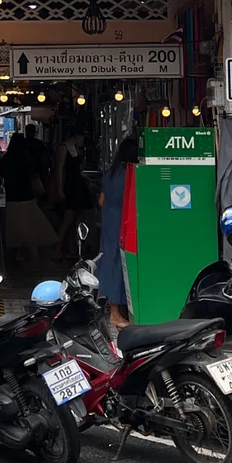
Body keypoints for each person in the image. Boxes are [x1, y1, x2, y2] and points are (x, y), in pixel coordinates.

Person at [98, 135, 138, 328]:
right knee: (121, 264)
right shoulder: (132, 174)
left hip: (110, 222)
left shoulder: (110, 173)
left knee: (111, 262)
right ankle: (115, 314)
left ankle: (118, 310)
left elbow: (101, 201)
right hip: (124, 223)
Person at [2, 131, 57, 260]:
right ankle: (32, 252)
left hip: (12, 196)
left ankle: (16, 250)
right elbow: (34, 172)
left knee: (14, 224)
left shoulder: (8, 158)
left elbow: (0, 170)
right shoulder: (27, 157)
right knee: (29, 224)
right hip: (27, 195)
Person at [53, 134, 93, 260]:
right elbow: (59, 170)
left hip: (77, 186)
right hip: (70, 186)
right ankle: (57, 249)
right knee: (68, 219)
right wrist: (59, 188)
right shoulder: (64, 148)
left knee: (73, 219)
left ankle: (71, 248)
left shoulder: (76, 147)